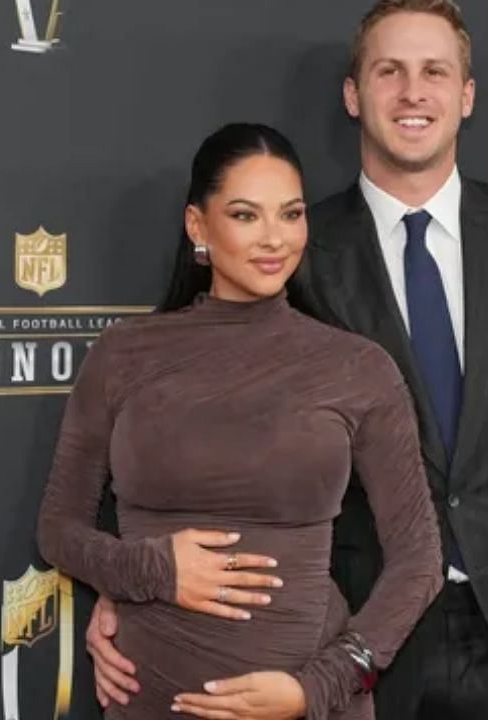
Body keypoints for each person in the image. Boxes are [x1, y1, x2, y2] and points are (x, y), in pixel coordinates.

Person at [87, 2, 488, 719]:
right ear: (352, 94)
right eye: (388, 71)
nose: (412, 92)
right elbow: (182, 441)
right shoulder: (289, 254)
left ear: (466, 94)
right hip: (347, 643)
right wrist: (130, 591)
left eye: (435, 72)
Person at [36, 123, 443, 720]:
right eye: (246, 216)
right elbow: (58, 528)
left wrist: (321, 686)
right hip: (151, 699)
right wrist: (148, 571)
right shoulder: (124, 354)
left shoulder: (358, 367)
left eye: (292, 214)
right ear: (198, 226)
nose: (274, 239)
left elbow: (419, 559)